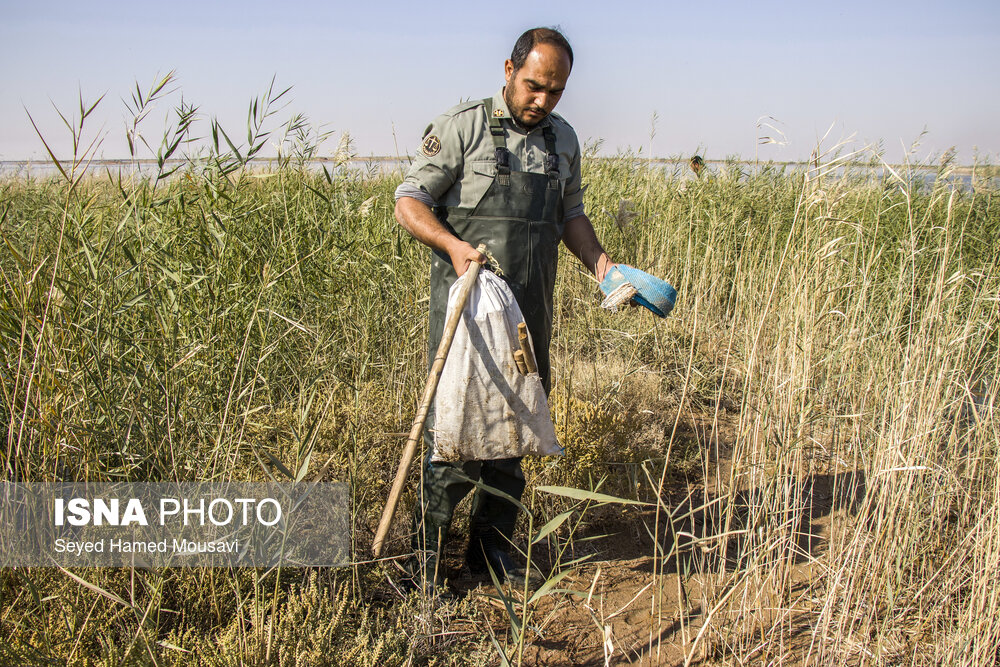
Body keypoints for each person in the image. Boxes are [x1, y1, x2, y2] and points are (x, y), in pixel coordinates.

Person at [393, 26, 616, 592]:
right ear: (510, 70)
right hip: (467, 315)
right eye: (534, 86)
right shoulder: (463, 127)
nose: (543, 100)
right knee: (458, 435)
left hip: (528, 313)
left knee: (514, 429)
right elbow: (409, 202)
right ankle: (426, 562)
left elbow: (571, 215)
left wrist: (602, 266)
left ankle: (491, 557)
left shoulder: (563, 140)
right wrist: (452, 246)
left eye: (556, 91)